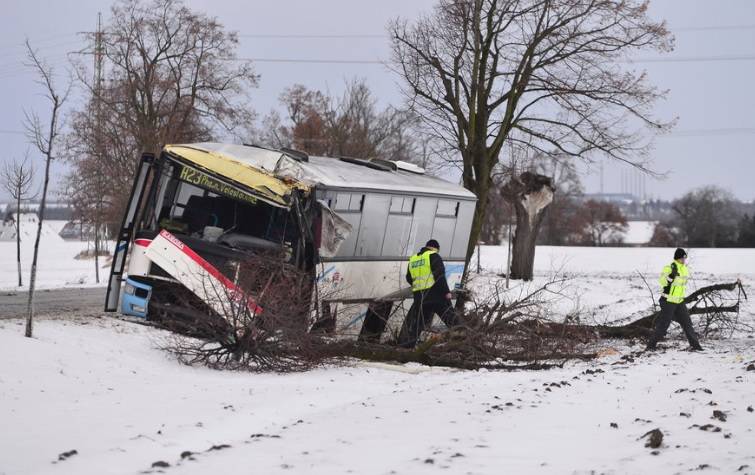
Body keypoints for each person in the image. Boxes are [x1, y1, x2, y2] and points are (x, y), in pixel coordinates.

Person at [398, 239, 460, 348]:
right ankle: (463, 342)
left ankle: (406, 349)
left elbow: (409, 277)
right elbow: (439, 276)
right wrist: (446, 292)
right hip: (437, 296)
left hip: (420, 297)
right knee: (452, 320)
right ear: (435, 248)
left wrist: (419, 286)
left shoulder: (414, 259)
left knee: (417, 325)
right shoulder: (434, 256)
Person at [646, 248, 703, 351]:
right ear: (677, 258)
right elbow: (662, 282)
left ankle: (696, 346)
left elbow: (682, 285)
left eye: (685, 258)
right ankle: (651, 345)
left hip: (679, 301)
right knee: (664, 325)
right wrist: (671, 276)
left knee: (687, 323)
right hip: (668, 301)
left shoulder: (684, 269)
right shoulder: (669, 267)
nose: (684, 260)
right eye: (682, 258)